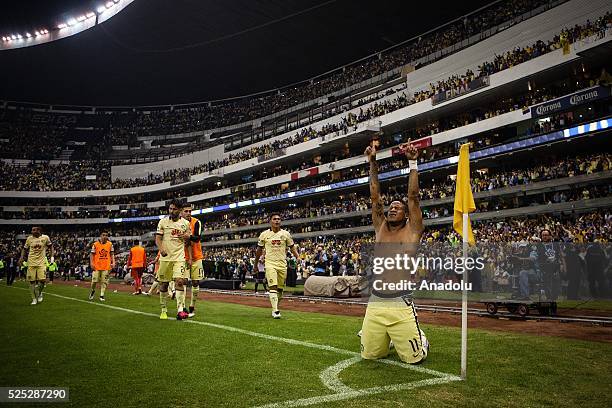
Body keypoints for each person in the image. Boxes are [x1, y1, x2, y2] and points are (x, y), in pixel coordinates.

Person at [359, 140, 429, 364]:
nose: (392, 208)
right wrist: (372, 163)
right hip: (376, 302)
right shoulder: (380, 227)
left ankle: (422, 339)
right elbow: (374, 198)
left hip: (400, 302)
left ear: (406, 214)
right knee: (370, 356)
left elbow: (414, 198)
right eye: (391, 207)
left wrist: (413, 162)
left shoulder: (413, 230)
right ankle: (385, 339)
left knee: (414, 359)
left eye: (398, 208)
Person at [254, 214, 300, 319]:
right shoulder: (264, 235)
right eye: (274, 219)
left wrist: (298, 257)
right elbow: (259, 250)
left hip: (282, 264)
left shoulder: (286, 234)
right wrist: (255, 264)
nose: (277, 221)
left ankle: (275, 307)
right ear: (270, 221)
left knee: (280, 290)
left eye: (279, 219)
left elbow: (292, 247)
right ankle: (275, 311)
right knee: (273, 287)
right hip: (270, 264)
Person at [155, 200, 191, 320]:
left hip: (179, 258)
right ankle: (163, 309)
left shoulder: (185, 223)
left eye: (174, 209)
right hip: (165, 258)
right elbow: (158, 239)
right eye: (170, 209)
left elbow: (188, 237)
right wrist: (161, 249)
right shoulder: (163, 222)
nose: (171, 211)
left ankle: (180, 310)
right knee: (163, 285)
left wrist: (187, 236)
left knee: (180, 282)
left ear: (180, 210)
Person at [19, 226, 53, 305]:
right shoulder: (29, 239)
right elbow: (24, 249)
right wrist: (21, 257)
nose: (32, 231)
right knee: (32, 282)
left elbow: (51, 247)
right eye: (32, 230)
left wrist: (52, 257)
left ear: (39, 230)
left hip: (41, 263)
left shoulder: (45, 238)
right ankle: (34, 299)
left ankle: (39, 292)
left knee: (43, 281)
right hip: (31, 262)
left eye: (34, 230)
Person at [181, 204, 204, 318]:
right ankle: (183, 307)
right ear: (181, 212)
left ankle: (192, 305)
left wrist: (188, 236)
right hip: (182, 257)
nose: (188, 213)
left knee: (195, 282)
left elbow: (197, 238)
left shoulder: (196, 222)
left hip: (197, 256)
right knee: (183, 281)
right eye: (186, 211)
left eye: (190, 211)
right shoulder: (178, 224)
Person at [89, 230, 115, 302]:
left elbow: (112, 254)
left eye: (106, 235)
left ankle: (102, 295)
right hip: (97, 266)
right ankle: (93, 290)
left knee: (104, 282)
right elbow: (91, 254)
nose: (105, 236)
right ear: (100, 236)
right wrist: (91, 263)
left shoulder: (110, 244)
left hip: (106, 266)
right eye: (103, 235)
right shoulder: (95, 244)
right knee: (94, 281)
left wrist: (113, 262)